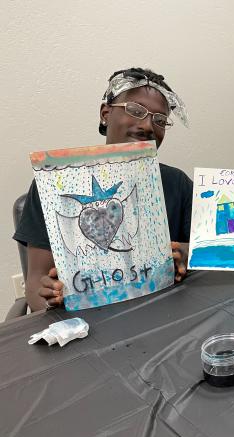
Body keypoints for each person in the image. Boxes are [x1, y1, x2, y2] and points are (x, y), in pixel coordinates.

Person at [14, 67, 194, 311]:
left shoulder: (176, 184)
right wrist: (49, 297)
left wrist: (186, 255)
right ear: (105, 114)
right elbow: (36, 280)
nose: (148, 125)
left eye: (159, 119)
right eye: (135, 110)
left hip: (163, 317)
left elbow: (204, 255)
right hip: (88, 325)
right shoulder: (53, 184)